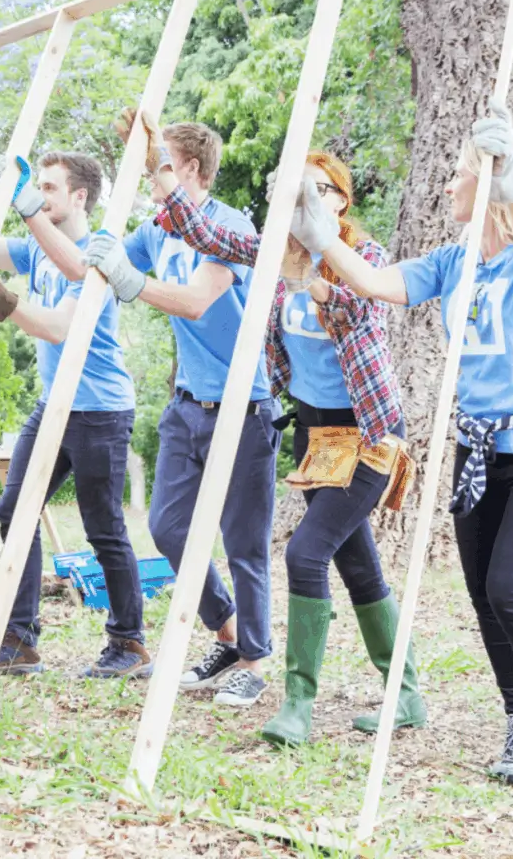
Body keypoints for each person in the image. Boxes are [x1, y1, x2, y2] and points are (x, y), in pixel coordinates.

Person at [296, 98, 513, 788]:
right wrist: (322, 237)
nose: (446, 185)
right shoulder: (451, 262)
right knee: (485, 599)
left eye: (459, 175)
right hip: (478, 453)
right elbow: (373, 284)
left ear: (487, 186)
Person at [155, 144, 425, 744]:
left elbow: (363, 308)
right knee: (358, 564)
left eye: (320, 190)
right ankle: (405, 694)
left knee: (305, 554)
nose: (308, 200)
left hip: (368, 436)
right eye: (298, 191)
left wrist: (317, 282)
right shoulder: (278, 256)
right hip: (315, 436)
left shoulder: (364, 258)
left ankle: (297, 704)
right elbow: (208, 235)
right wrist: (160, 169)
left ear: (341, 200)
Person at [0, 131, 149, 678]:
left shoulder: (96, 253)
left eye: (48, 186)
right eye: (36, 185)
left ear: (79, 197)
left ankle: (129, 644)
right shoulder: (36, 251)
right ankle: (20, 640)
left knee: (103, 528)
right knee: (14, 511)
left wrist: (2, 299)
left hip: (99, 411)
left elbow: (57, 328)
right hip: (53, 405)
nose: (38, 193)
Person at [84, 111, 280, 709]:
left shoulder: (228, 226)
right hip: (188, 405)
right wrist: (48, 226)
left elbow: (196, 302)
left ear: (189, 167)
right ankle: (226, 632)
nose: (151, 172)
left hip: (244, 407)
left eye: (161, 159)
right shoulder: (159, 229)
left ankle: (253, 658)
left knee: (243, 542)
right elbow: (103, 265)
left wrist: (131, 283)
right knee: (168, 527)